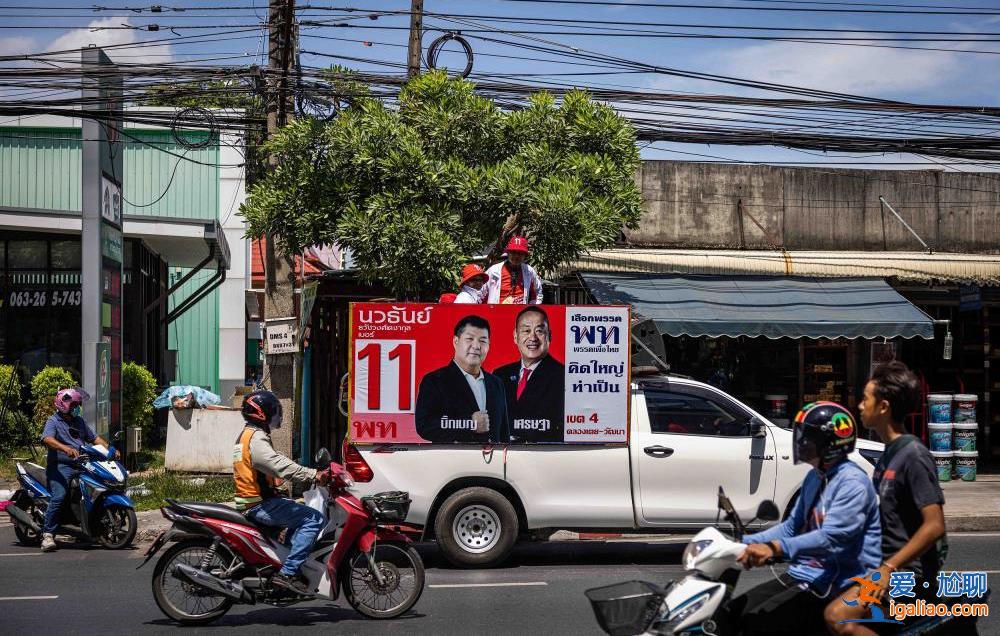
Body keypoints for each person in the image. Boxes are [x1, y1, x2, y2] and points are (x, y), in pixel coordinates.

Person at [731, 402, 882, 635]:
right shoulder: (815, 477)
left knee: (758, 625)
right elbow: (792, 527)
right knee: (735, 613)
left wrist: (774, 548)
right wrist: (742, 543)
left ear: (828, 444)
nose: (800, 443)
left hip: (837, 583)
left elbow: (831, 539)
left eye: (807, 437)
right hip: (805, 574)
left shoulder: (852, 483)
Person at [825, 362, 947, 634]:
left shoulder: (914, 454)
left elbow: (935, 524)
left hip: (906, 576)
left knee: (837, 616)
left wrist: (888, 568)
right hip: (878, 565)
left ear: (883, 407)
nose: (859, 405)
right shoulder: (888, 454)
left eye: (866, 399)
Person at [234, 390, 327, 596]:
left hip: (253, 501)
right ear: (262, 413)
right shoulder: (256, 437)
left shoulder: (247, 435)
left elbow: (267, 466)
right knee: (313, 518)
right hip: (259, 504)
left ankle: (285, 561)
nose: (278, 416)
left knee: (298, 513)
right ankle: (287, 574)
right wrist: (312, 474)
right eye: (275, 411)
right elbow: (277, 465)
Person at [39, 388, 118, 552]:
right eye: (74, 404)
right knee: (59, 496)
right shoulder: (53, 421)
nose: (77, 407)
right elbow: (47, 439)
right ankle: (47, 534)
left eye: (78, 404)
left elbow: (94, 438)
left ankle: (87, 528)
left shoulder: (79, 421)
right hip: (60, 467)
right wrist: (65, 448)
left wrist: (110, 449)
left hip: (82, 465)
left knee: (95, 491)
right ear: (63, 405)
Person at [414, 315, 509, 444]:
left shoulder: (496, 383)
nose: (476, 346)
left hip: (493, 461)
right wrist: (469, 424)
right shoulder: (435, 381)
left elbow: (503, 433)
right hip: (453, 461)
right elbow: (425, 426)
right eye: (469, 339)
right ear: (456, 341)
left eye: (483, 341)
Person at [495, 306, 565, 443]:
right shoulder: (500, 375)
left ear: (549, 336)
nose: (532, 337)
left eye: (539, 331)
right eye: (526, 331)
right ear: (516, 336)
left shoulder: (563, 376)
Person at [481, 236, 543, 305]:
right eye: (513, 252)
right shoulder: (493, 270)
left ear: (525, 255)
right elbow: (480, 292)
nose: (516, 256)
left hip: (520, 314)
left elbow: (538, 292)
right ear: (508, 253)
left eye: (520, 253)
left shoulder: (529, 271)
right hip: (496, 313)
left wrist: (532, 308)